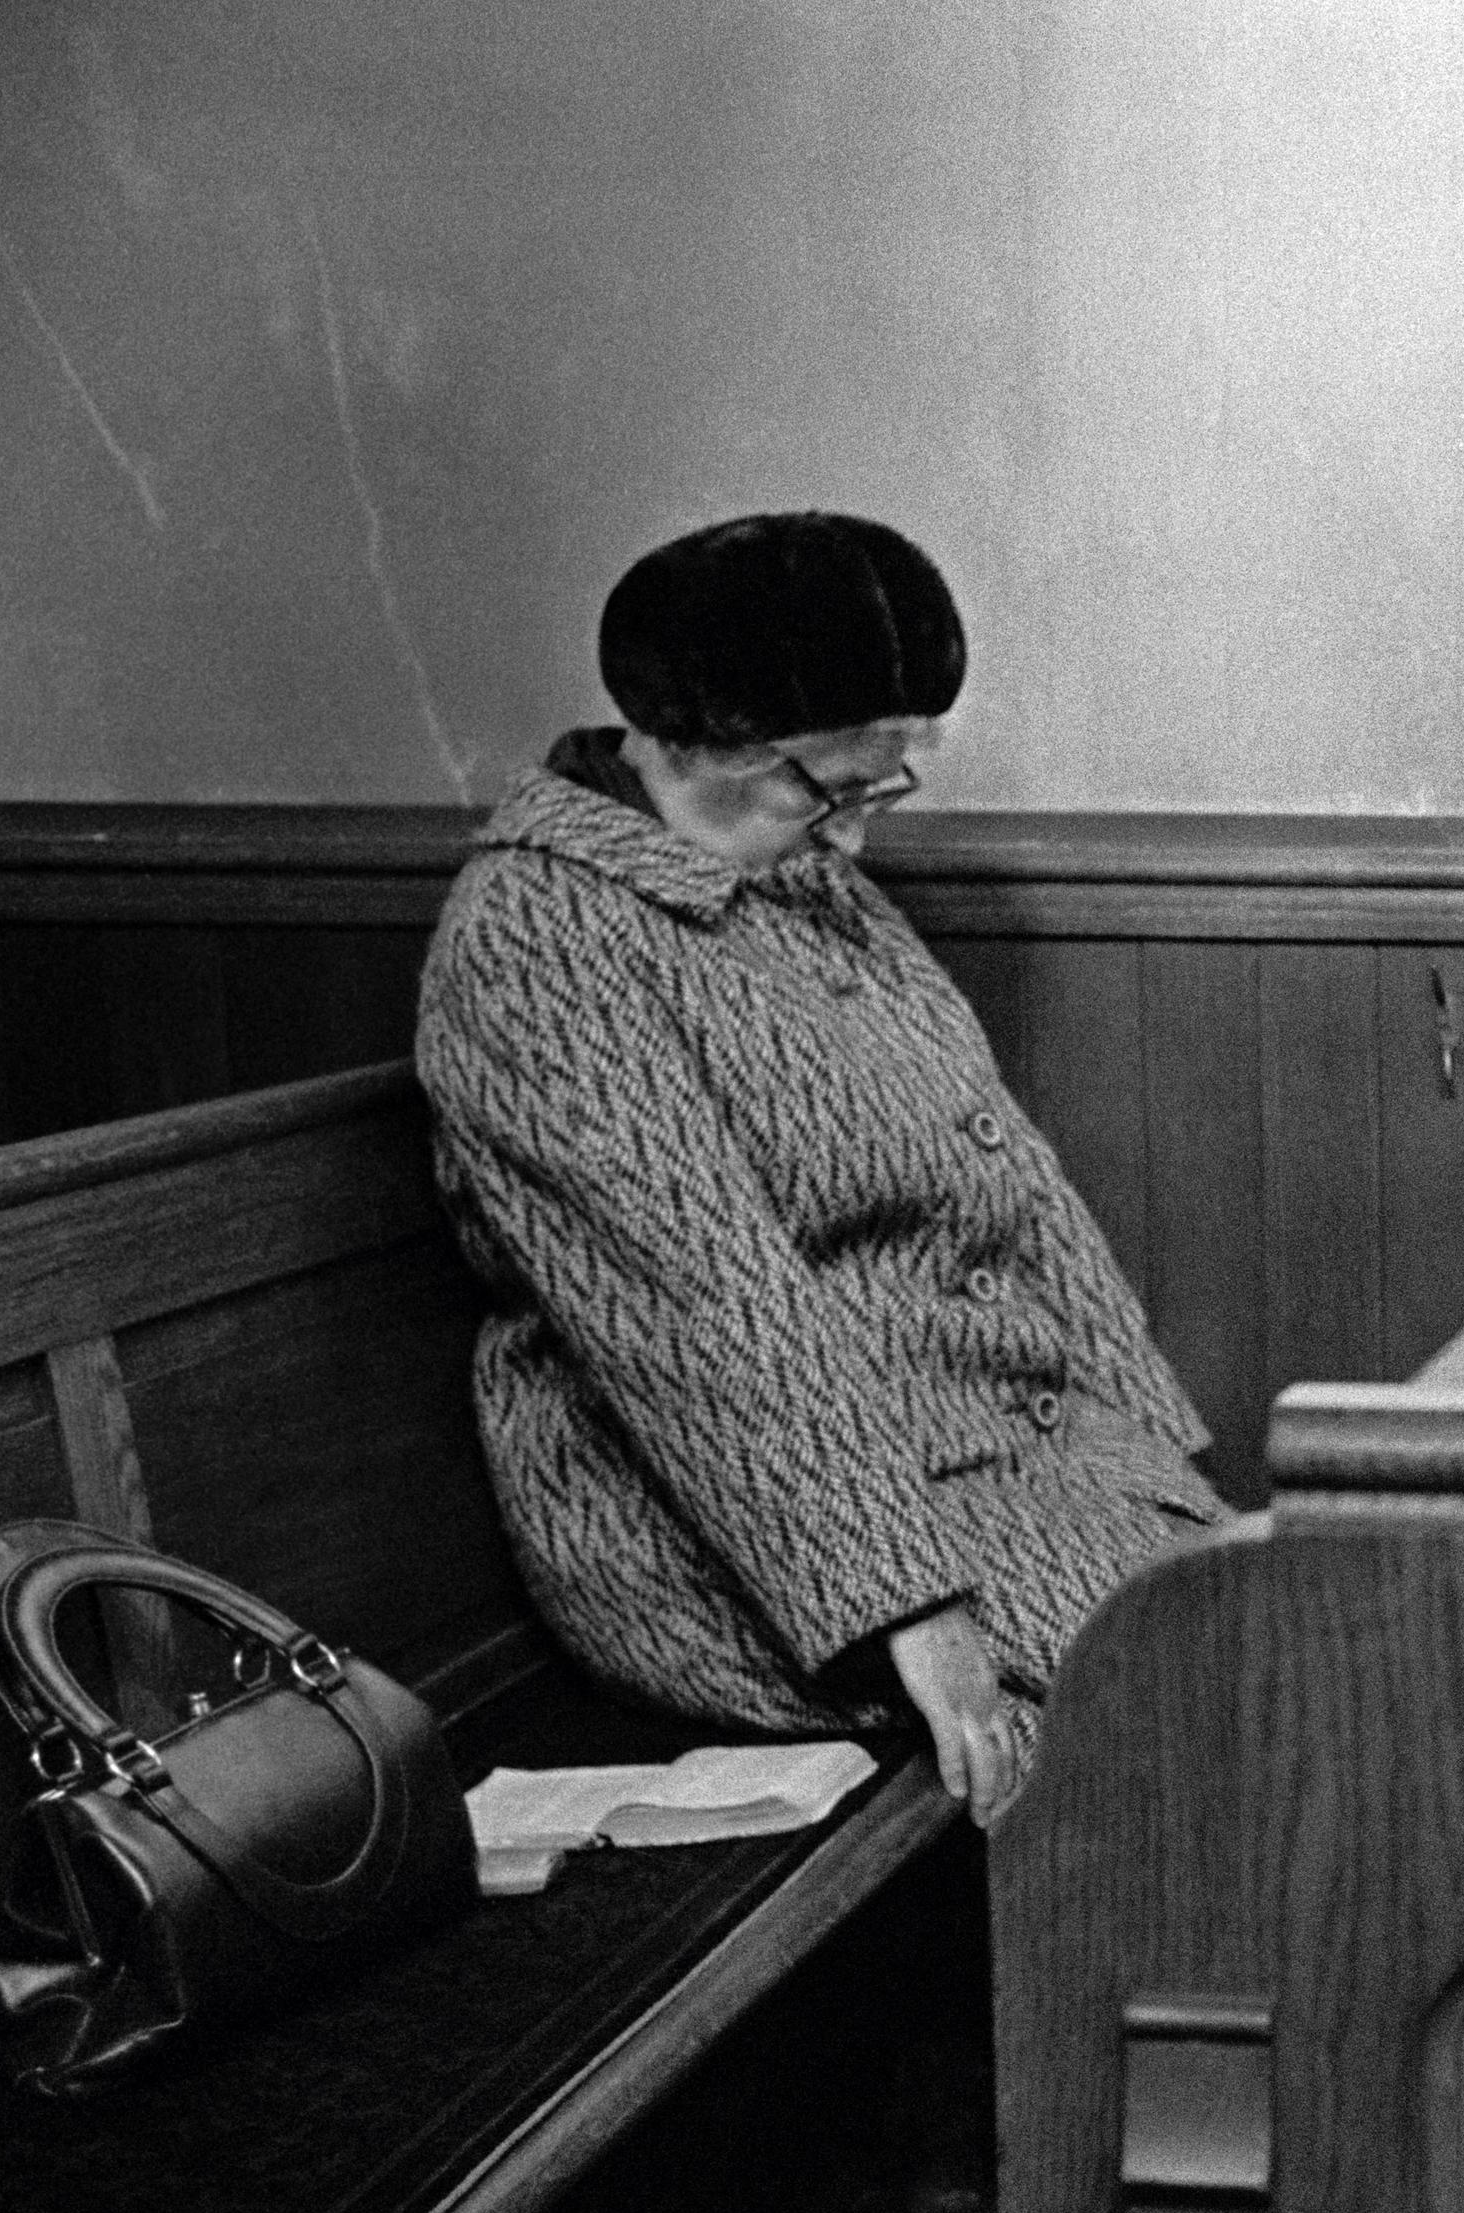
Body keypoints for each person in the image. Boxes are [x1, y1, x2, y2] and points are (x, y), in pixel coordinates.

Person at [415, 511, 1222, 1830]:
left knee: (1295, 1649)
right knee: (1210, 1703)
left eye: (879, 789)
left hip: (995, 1463)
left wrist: (1151, 1455)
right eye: (821, 789)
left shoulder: (796, 872)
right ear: (680, 741)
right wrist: (905, 1602)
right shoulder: (538, 936)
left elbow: (1005, 1176)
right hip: (736, 1535)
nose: (850, 838)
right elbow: (703, 1312)